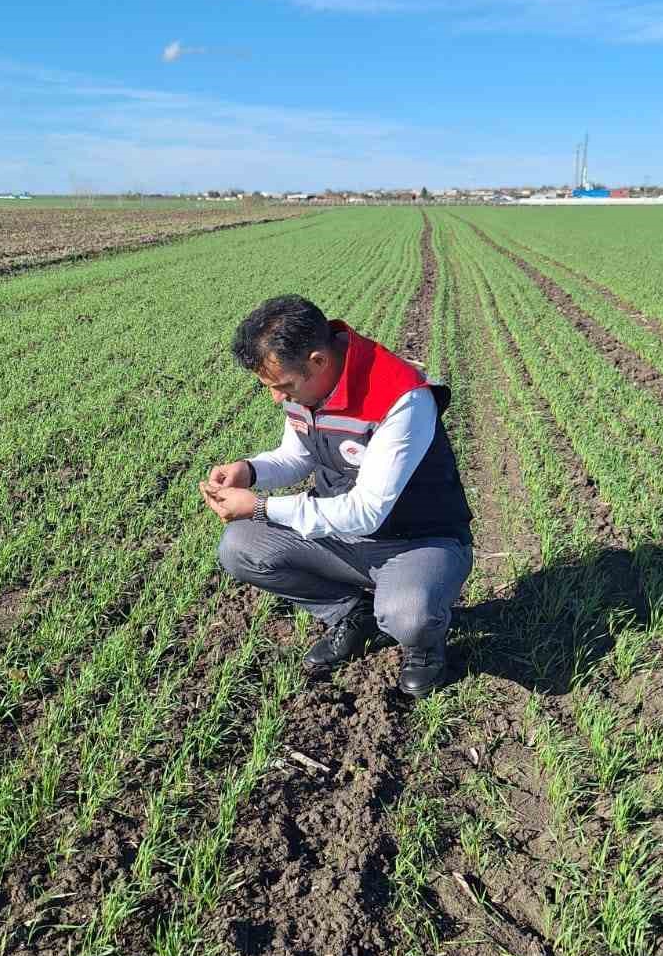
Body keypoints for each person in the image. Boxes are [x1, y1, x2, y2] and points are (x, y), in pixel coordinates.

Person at [199, 295, 473, 698]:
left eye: (283, 387)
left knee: (406, 616)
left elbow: (366, 512)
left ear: (318, 361)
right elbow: (296, 456)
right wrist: (250, 469)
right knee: (239, 547)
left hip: (418, 541)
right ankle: (351, 614)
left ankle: (424, 647)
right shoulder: (309, 389)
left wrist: (259, 507)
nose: (277, 398)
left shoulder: (399, 399)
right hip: (344, 538)